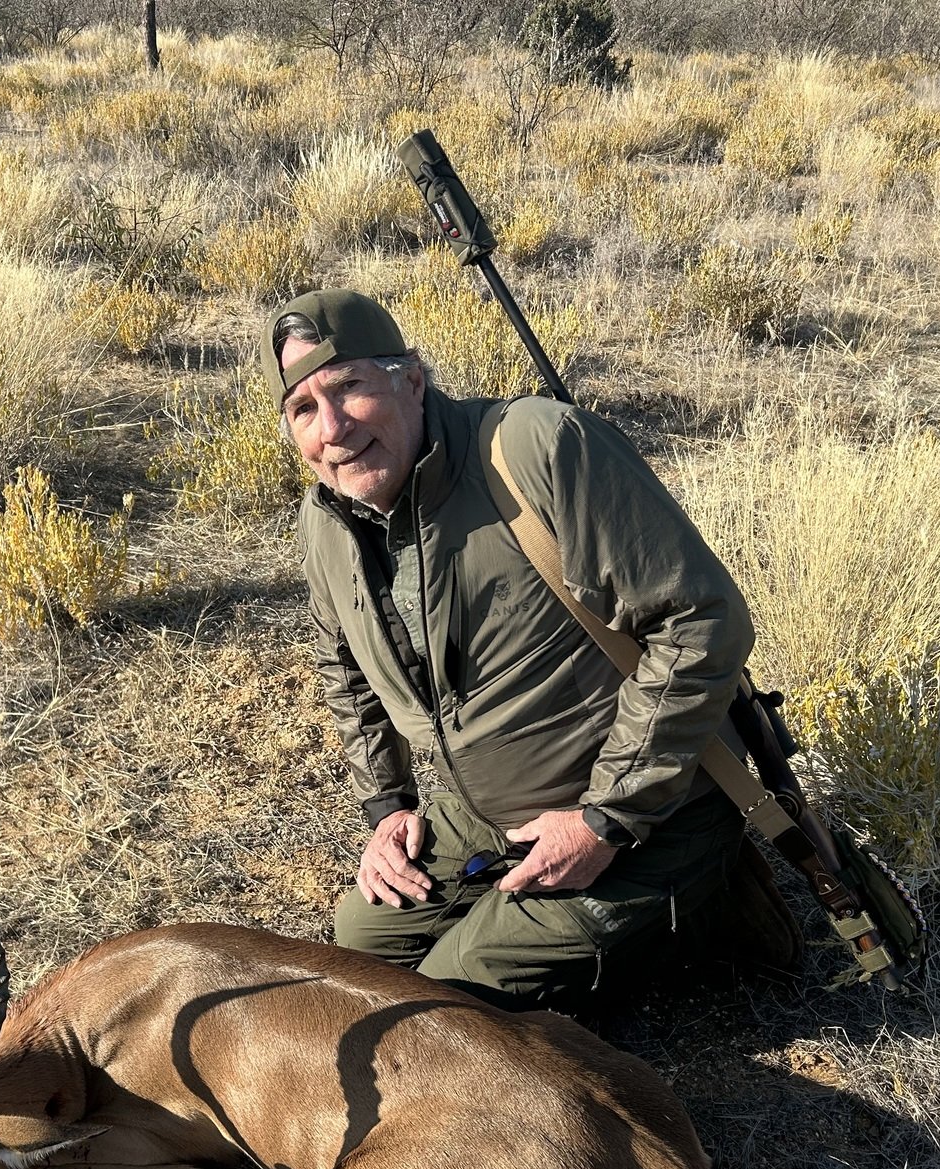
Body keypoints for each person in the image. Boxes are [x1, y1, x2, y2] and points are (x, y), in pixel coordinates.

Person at [267, 287, 785, 1012]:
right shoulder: (327, 521)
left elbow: (701, 620)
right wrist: (387, 805)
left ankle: (694, 912)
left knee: (452, 999)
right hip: (488, 812)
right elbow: (345, 671)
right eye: (303, 410)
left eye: (350, 386)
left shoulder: (537, 448)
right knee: (359, 954)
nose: (333, 428)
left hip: (651, 810)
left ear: (410, 380)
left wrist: (604, 819)